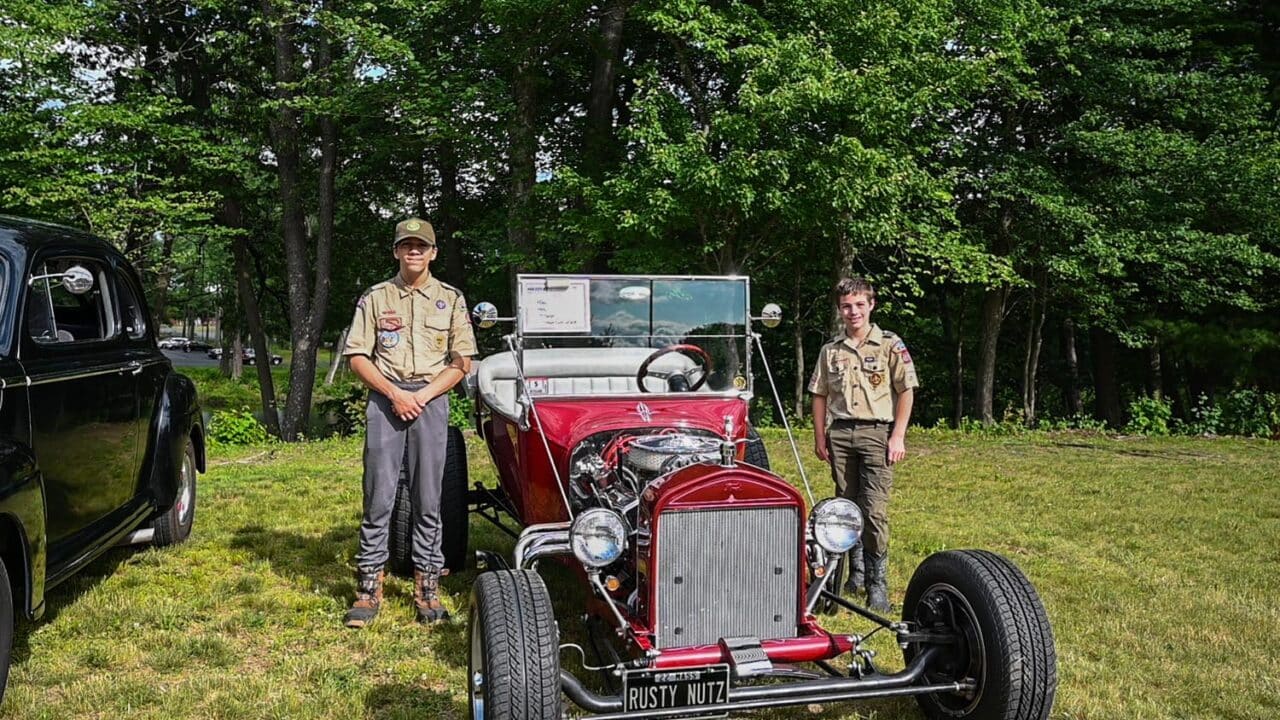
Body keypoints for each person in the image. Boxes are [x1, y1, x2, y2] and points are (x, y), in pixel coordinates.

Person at [341, 217, 476, 627]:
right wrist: (396, 394)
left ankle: (427, 587)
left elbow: (461, 362)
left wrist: (422, 395)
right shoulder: (377, 298)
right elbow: (357, 357)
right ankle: (369, 588)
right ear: (396, 251)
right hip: (386, 399)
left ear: (433, 252)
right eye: (406, 245)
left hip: (430, 399)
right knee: (379, 496)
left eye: (421, 246)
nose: (413, 251)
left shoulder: (451, 299)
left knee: (429, 498)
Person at [809, 277, 918, 613]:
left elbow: (906, 389)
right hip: (840, 435)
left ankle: (876, 583)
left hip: (876, 434)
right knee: (845, 507)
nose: (852, 311)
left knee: (873, 511)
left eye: (859, 304)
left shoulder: (888, 344)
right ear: (839, 309)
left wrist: (897, 435)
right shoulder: (831, 350)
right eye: (846, 306)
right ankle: (853, 576)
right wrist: (819, 437)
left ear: (871, 305)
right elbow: (819, 394)